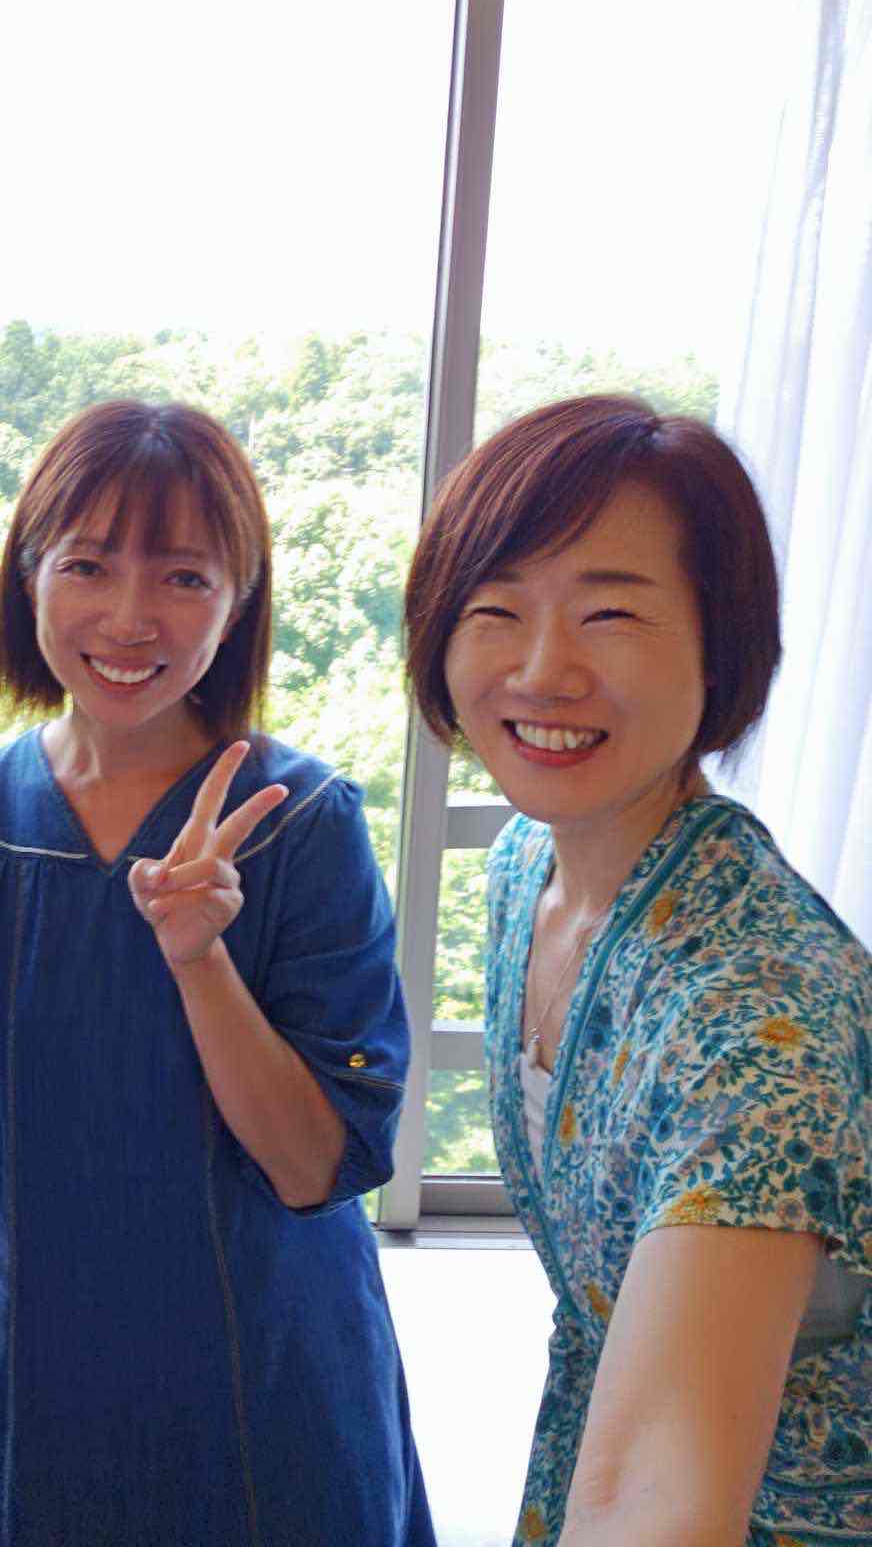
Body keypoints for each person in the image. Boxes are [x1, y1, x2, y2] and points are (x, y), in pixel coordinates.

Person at [0, 399, 434, 1547]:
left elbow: (313, 1166)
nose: (131, 618)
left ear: (238, 603)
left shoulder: (303, 821)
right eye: (88, 565)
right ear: (28, 577)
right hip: (46, 1373)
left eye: (185, 577)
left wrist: (200, 962)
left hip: (268, 1361)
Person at [403, 393, 871, 1547]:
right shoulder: (528, 869)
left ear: (721, 646)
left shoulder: (759, 1026)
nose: (542, 670)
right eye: (496, 610)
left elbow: (659, 1505)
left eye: (610, 613)